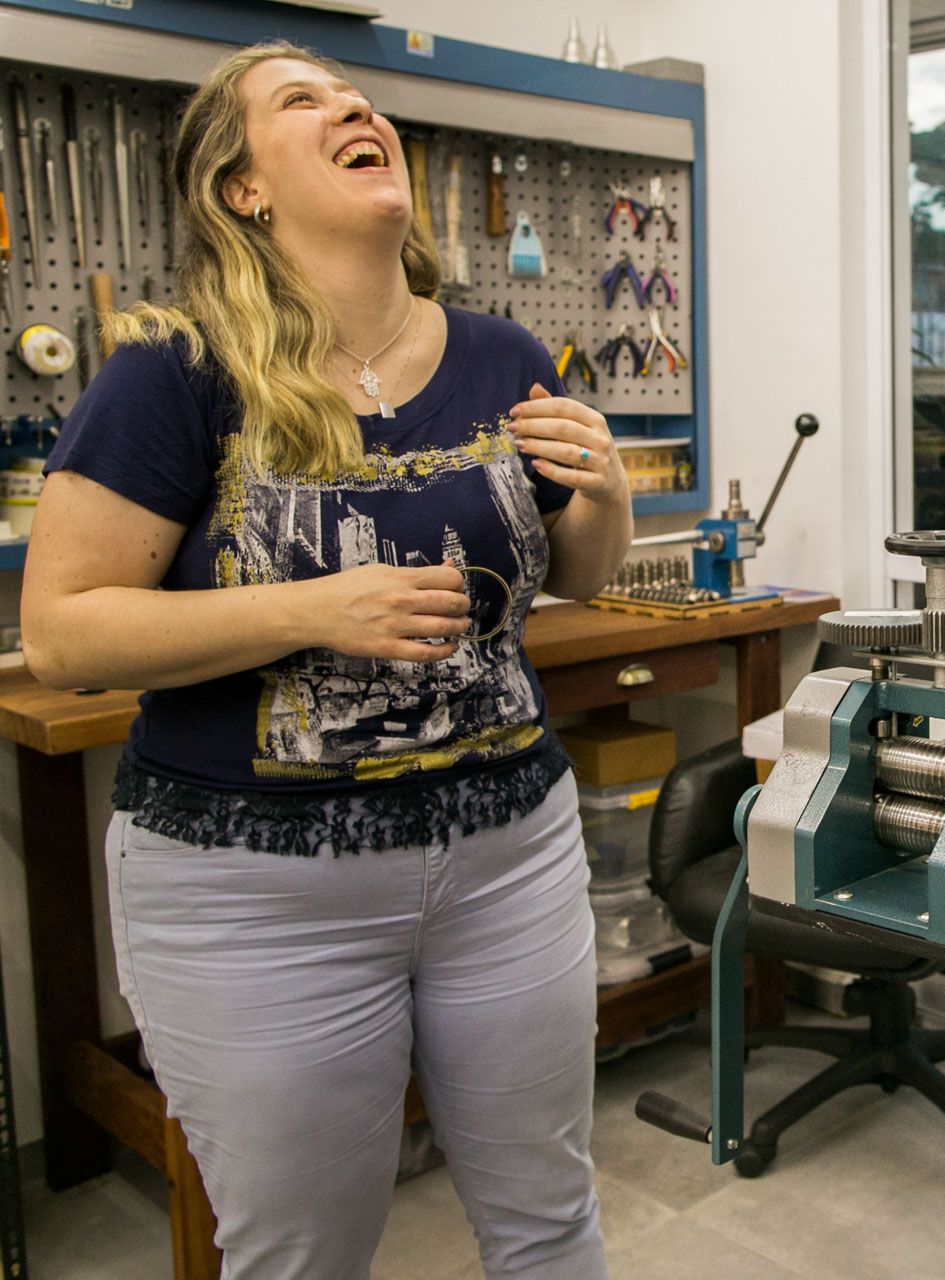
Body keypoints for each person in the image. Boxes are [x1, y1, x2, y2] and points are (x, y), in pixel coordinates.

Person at [21, 41, 632, 1279]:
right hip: (256, 892)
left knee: (552, 1222)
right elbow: (64, 630)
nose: (356, 107)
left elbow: (578, 573)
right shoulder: (174, 373)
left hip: (507, 854)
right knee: (302, 1256)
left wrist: (607, 491)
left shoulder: (503, 357)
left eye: (357, 97)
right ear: (242, 187)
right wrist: (313, 608)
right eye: (302, 101)